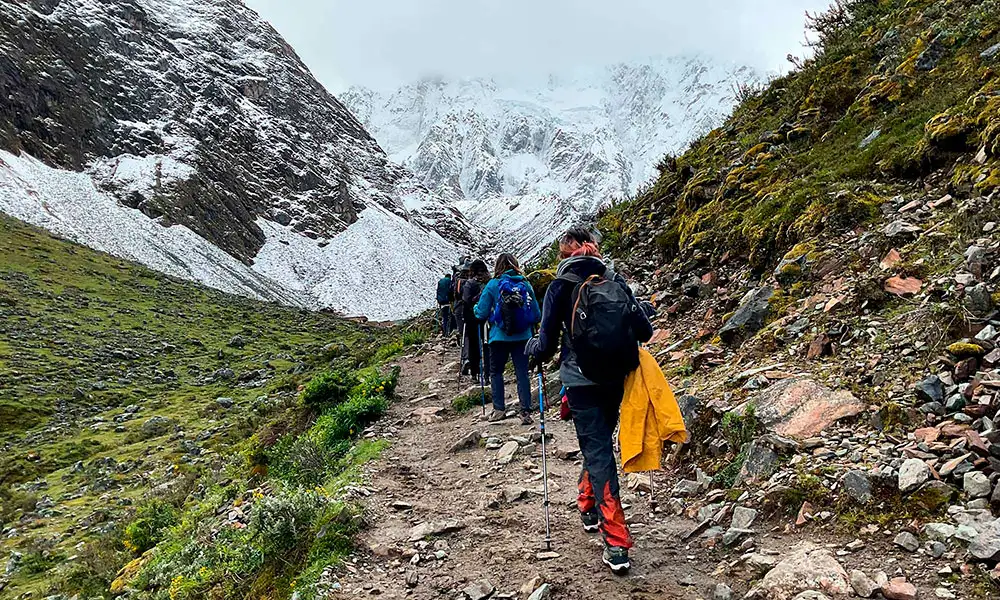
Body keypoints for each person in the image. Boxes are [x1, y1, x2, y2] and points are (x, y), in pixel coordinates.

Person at [525, 228, 653, 575]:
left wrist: (532, 349)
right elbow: (645, 331)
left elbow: (547, 345)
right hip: (615, 379)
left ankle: (616, 541)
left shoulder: (560, 285)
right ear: (593, 249)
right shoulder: (615, 279)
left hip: (579, 381)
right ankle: (587, 504)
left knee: (596, 449)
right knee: (599, 445)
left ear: (566, 253)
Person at [474, 253, 541, 424]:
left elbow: (481, 312)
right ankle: (525, 412)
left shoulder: (493, 284)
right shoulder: (525, 283)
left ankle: (499, 409)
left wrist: (475, 308)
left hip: (498, 336)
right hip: (523, 337)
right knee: (522, 374)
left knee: (496, 372)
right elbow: (536, 314)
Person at [462, 260, 490, 381]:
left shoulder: (469, 284)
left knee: (474, 345)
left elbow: (466, 301)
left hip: (472, 318)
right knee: (487, 344)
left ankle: (475, 372)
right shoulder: (489, 282)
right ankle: (488, 372)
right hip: (486, 318)